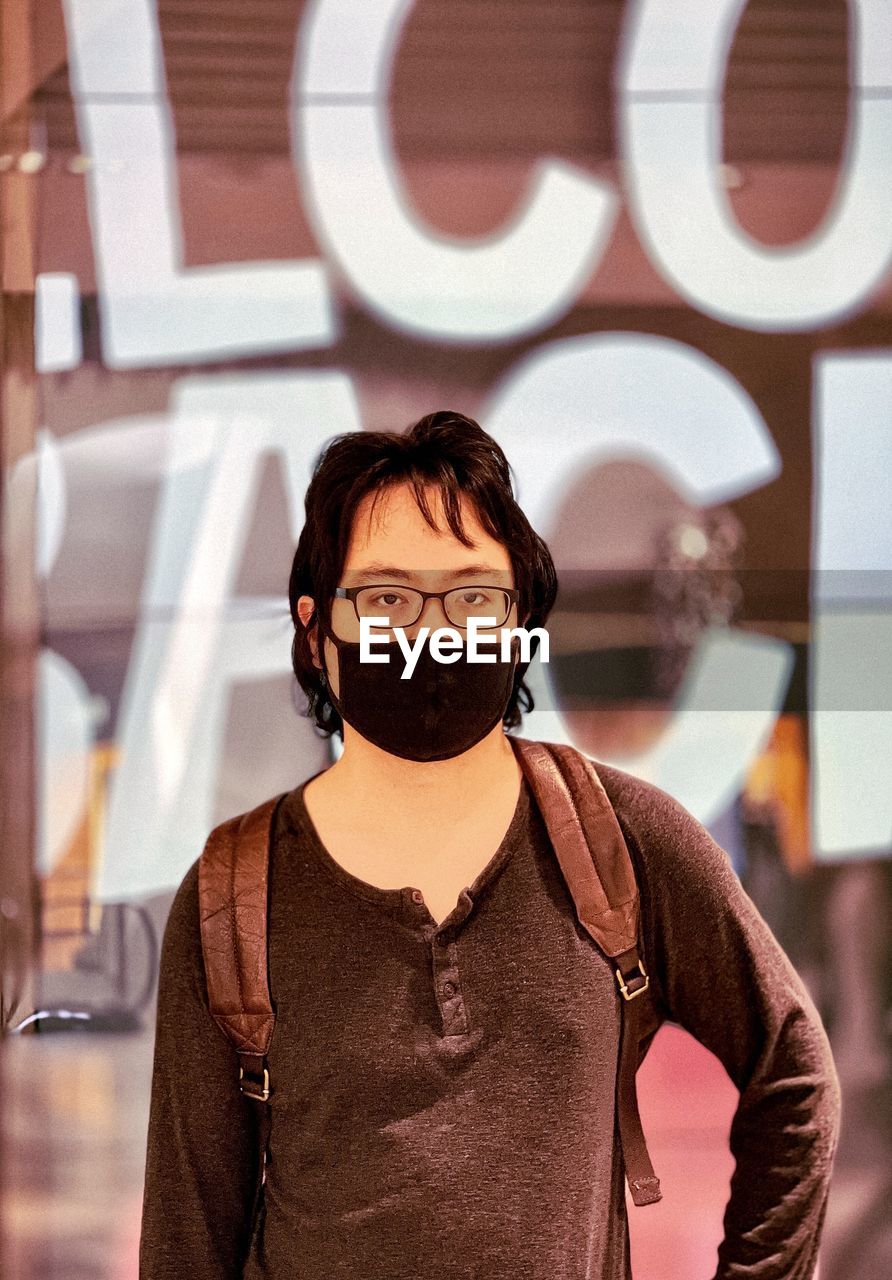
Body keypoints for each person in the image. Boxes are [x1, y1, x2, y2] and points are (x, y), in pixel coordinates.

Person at [138, 410, 841, 1279]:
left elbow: (795, 1073)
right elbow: (186, 1239)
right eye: (388, 597)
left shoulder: (622, 841)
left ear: (520, 627)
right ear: (317, 633)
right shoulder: (231, 899)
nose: (434, 633)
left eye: (472, 597)